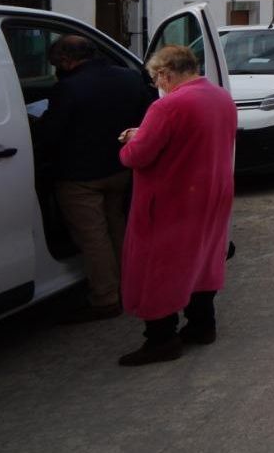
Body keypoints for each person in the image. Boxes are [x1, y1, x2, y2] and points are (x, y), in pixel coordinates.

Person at [114, 43, 237, 367]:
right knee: (203, 258)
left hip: (173, 200)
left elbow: (138, 156)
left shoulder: (167, 107)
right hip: (212, 193)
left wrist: (130, 139)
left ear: (166, 74)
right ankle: (202, 325)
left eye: (157, 79)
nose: (157, 86)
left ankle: (161, 339)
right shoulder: (220, 97)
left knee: (160, 267)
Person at [37, 35, 153, 322]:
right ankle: (130, 286)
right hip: (120, 168)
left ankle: (105, 298)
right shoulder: (128, 77)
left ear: (67, 60)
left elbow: (50, 135)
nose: (55, 70)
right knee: (117, 226)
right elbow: (148, 115)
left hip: (80, 177)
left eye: (56, 64)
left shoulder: (67, 88)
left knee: (93, 237)